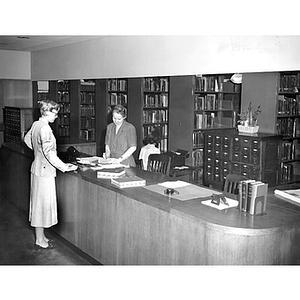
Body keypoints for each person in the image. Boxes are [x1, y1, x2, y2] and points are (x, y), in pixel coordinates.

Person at [24, 100, 77, 250]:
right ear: (46, 112)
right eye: (55, 113)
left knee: (38, 204)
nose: (57, 116)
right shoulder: (45, 129)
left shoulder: (36, 124)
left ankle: (41, 237)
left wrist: (37, 152)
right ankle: (39, 240)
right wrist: (64, 167)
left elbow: (27, 139)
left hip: (37, 168)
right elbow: (49, 153)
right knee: (41, 205)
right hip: (45, 171)